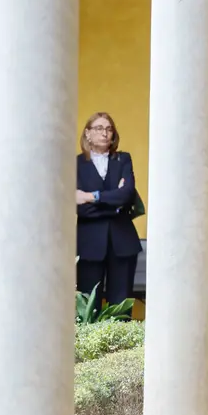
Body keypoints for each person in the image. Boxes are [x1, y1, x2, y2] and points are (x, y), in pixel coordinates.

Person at [76, 112, 142, 310]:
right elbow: (80, 208)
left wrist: (91, 196)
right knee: (88, 305)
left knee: (121, 305)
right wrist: (114, 205)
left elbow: (127, 195)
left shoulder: (122, 160)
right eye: (98, 128)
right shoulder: (77, 163)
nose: (104, 133)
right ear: (87, 134)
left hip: (122, 240)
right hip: (89, 241)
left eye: (109, 128)